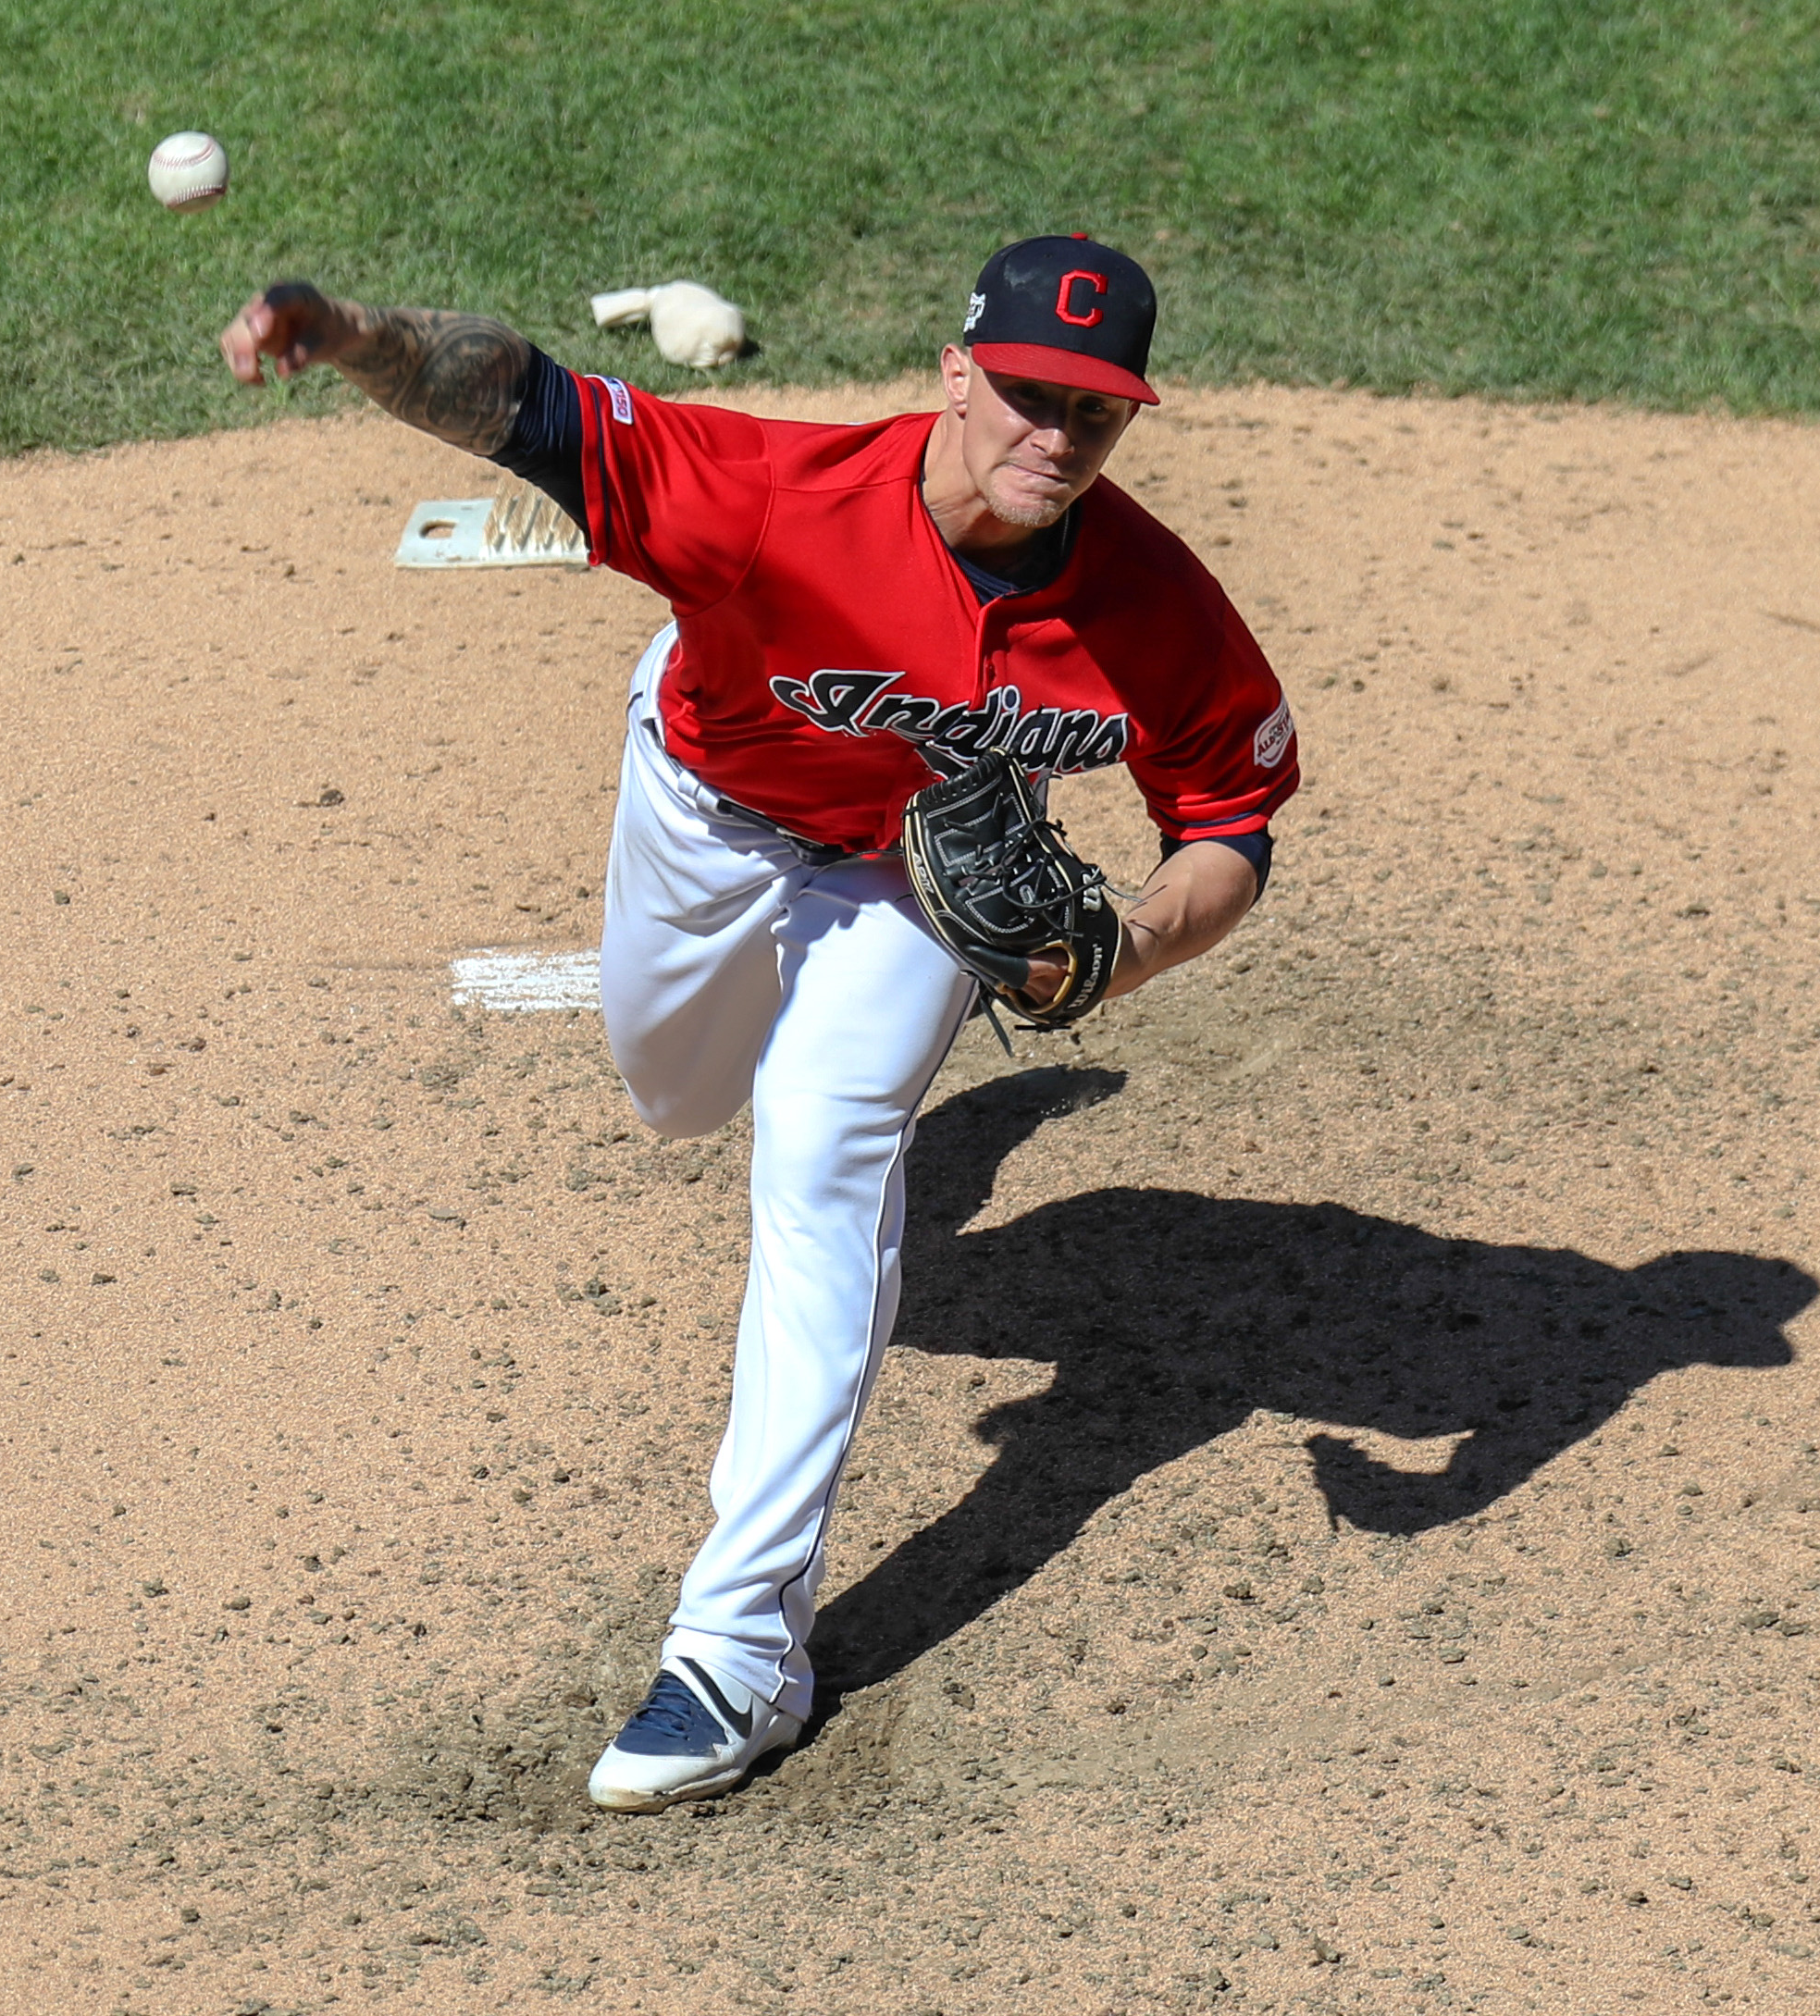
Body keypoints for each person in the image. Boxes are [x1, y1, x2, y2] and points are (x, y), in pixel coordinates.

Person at [217, 236, 1300, 1810]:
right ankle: (912, 1140)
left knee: (823, 1141)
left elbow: (1233, 821)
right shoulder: (775, 500)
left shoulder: (1152, 604)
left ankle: (737, 1653)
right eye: (1028, 394)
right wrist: (351, 332)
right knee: (678, 1093)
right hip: (710, 812)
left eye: (1099, 412)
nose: (1057, 437)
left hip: (926, 859)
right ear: (956, 372)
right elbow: (526, 405)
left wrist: (1121, 953)